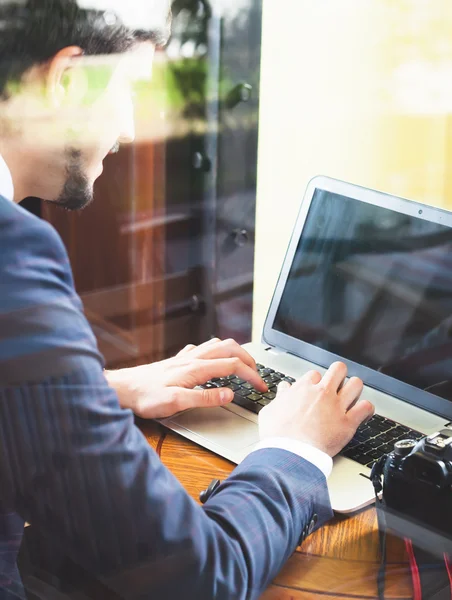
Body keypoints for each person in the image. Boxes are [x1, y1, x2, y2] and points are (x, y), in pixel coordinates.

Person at [0, 2, 374, 598]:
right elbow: (201, 580)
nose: (127, 129)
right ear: (67, 81)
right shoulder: (12, 253)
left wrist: (96, 390)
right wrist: (295, 450)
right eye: (129, 90)